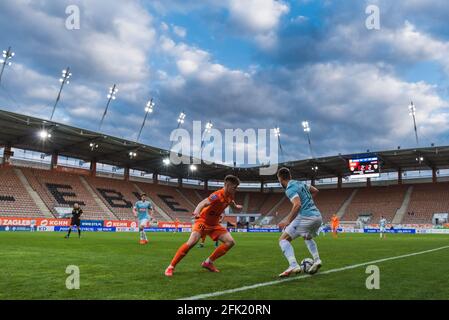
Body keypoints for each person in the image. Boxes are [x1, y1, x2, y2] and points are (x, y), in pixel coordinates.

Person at [165, 175, 242, 277]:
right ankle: (171, 267)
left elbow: (231, 203)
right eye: (234, 187)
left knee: (230, 242)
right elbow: (203, 203)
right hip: (203, 223)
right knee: (192, 242)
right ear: (227, 185)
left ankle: (208, 262)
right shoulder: (217, 195)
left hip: (215, 225)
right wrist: (196, 212)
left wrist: (236, 207)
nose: (235, 189)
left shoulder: (230, 195)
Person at [276, 167, 323, 277]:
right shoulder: (300, 183)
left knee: (283, 240)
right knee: (307, 237)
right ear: (290, 176)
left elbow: (297, 205)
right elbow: (315, 191)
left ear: (280, 178)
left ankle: (293, 265)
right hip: (317, 216)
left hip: (306, 217)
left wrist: (287, 220)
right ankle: (317, 260)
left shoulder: (289, 188)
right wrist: (308, 202)